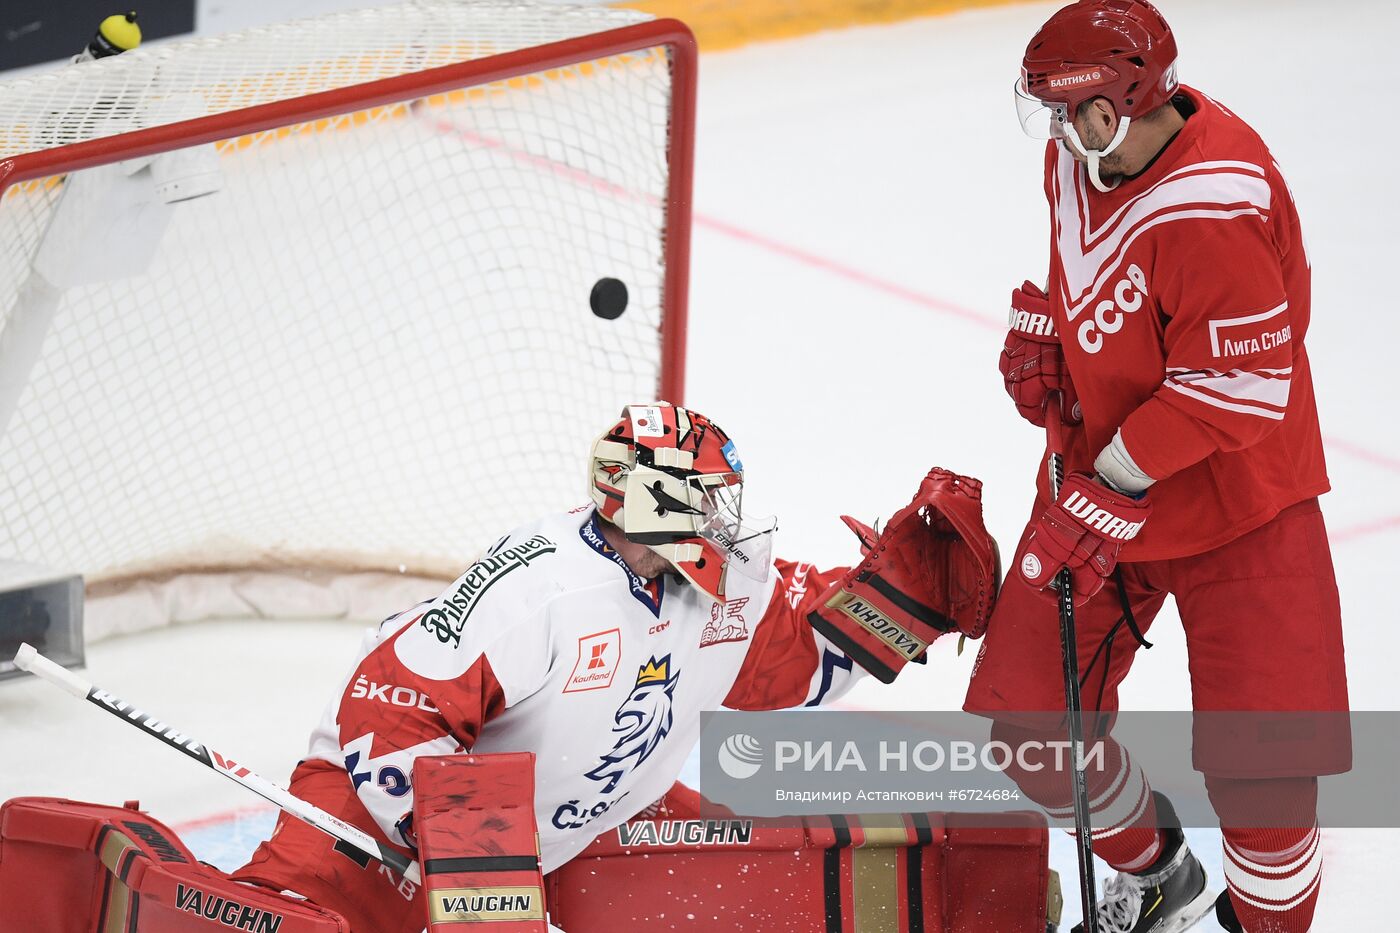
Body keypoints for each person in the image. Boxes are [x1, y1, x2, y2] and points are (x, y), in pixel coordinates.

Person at [233, 402, 997, 932]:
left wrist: (903, 603)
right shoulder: (540, 586)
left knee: (756, 880)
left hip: (573, 824)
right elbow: (389, 707)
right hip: (374, 824)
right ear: (655, 503)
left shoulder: (715, 578)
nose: (725, 522)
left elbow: (790, 655)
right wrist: (483, 881)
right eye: (709, 501)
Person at [963, 2, 1350, 932]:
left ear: (1110, 107)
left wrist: (1108, 482)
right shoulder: (1080, 154)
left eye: (1064, 110)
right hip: (1107, 480)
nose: (1053, 130)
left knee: (1266, 782)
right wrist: (1053, 333)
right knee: (1029, 724)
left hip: (1241, 504)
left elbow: (1245, 389)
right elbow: (1097, 275)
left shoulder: (1219, 202)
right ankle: (1158, 871)